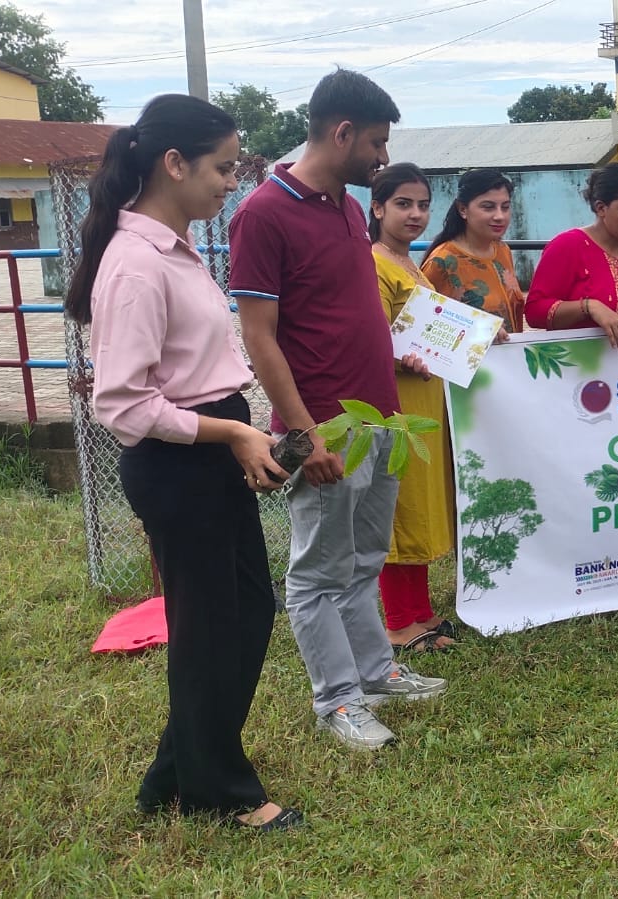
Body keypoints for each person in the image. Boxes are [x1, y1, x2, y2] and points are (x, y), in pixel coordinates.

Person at [67, 94, 299, 830]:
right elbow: (124, 405)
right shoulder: (135, 263)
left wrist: (244, 428)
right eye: (223, 167)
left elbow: (194, 363)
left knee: (246, 611)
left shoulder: (175, 247)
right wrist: (229, 434)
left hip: (210, 446)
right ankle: (218, 791)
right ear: (174, 164)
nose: (232, 182)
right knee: (210, 627)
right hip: (179, 462)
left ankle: (173, 774)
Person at [229, 69, 445, 753]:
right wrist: (303, 430)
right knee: (318, 572)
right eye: (377, 144)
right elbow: (259, 335)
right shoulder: (263, 214)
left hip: (380, 419)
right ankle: (338, 700)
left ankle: (376, 669)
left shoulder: (348, 208)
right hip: (324, 426)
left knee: (363, 557)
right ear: (342, 132)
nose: (382, 158)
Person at [368, 162, 460, 654]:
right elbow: (371, 337)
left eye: (423, 205)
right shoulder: (374, 263)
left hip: (427, 398)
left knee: (421, 507)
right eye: (403, 204)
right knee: (398, 510)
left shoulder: (411, 263)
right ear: (378, 207)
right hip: (398, 401)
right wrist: (401, 355)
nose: (416, 214)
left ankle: (422, 613)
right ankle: (400, 622)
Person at [524, 162, 618, 350]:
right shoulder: (568, 246)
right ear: (601, 208)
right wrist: (589, 307)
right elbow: (535, 312)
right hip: (579, 371)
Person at [422, 168, 525, 335]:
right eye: (488, 207)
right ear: (463, 209)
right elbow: (424, 323)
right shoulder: (442, 261)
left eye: (505, 207)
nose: (499, 216)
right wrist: (478, 331)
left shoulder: (502, 250)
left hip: (510, 357)